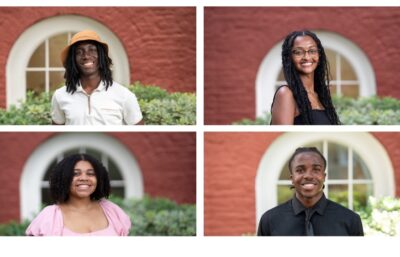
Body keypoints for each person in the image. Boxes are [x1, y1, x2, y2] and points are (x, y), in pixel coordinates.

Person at [257, 147, 364, 236]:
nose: (308, 176)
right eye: (300, 170)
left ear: (324, 176)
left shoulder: (350, 220)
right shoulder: (269, 220)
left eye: (316, 169)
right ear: (292, 178)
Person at [51, 30, 143, 125]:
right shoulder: (60, 96)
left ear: (101, 55)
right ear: (73, 60)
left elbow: (140, 135)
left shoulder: (124, 95)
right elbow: (57, 134)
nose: (86, 56)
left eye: (92, 50)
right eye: (79, 52)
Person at [26, 153, 131, 236]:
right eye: (75, 174)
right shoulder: (50, 216)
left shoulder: (111, 211)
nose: (84, 178)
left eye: (90, 174)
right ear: (64, 179)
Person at [270, 30, 340, 125]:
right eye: (298, 52)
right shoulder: (286, 94)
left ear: (319, 55)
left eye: (312, 51)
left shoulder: (320, 96)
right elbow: (281, 137)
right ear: (289, 57)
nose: (307, 57)